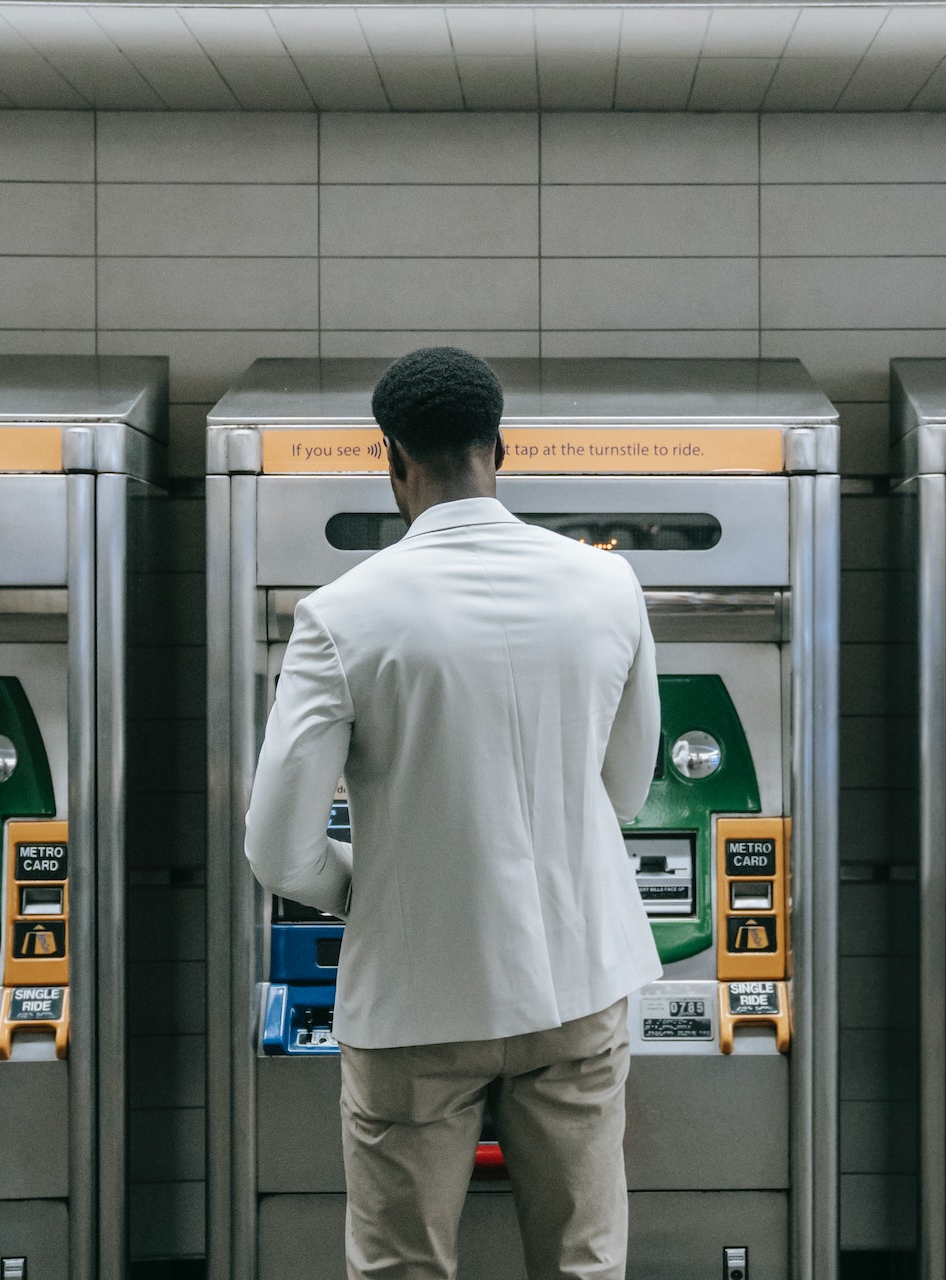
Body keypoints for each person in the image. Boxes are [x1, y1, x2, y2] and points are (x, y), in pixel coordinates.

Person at [245, 347, 662, 1280]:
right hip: (578, 983)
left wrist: (370, 891)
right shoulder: (608, 585)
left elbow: (277, 846)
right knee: (583, 1263)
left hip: (416, 1002)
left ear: (391, 460)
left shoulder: (340, 616)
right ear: (499, 448)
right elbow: (624, 792)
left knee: (404, 1267)